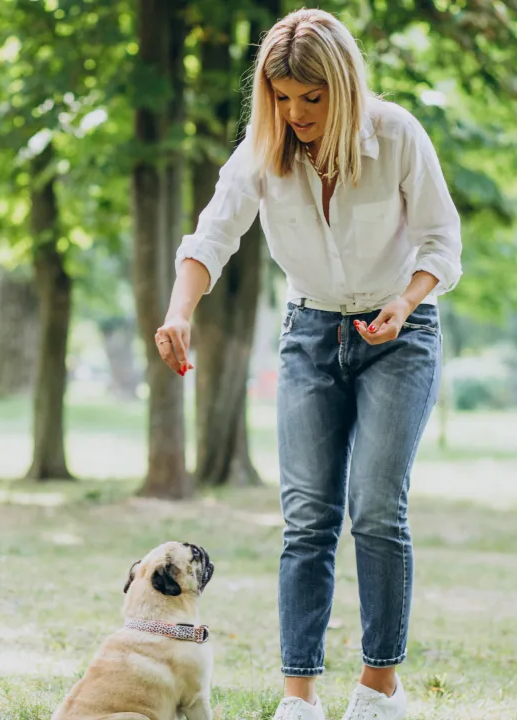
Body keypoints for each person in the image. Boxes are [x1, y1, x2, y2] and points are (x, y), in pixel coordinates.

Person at [154, 8, 462, 720]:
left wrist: (407, 302)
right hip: (310, 333)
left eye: (312, 99)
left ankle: (379, 688)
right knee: (307, 519)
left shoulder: (396, 136)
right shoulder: (264, 149)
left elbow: (442, 240)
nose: (295, 113)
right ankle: (299, 696)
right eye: (283, 97)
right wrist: (179, 311)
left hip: (399, 335)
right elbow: (214, 232)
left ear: (344, 89)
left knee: (379, 510)